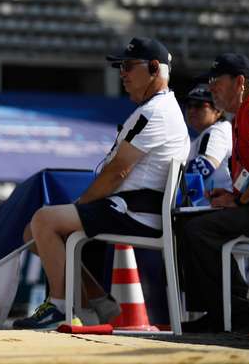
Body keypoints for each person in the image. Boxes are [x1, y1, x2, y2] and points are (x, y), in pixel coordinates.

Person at [13, 37, 188, 330]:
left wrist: (80, 205)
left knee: (44, 220)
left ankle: (58, 308)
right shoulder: (157, 108)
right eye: (121, 67)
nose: (122, 73)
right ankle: (97, 304)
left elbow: (116, 173)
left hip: (135, 211)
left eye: (129, 66)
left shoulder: (156, 112)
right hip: (131, 208)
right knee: (34, 232)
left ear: (155, 68)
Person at [178, 53, 249, 333]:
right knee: (192, 225)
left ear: (240, 82)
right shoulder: (245, 113)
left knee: (198, 229)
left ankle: (241, 311)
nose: (211, 88)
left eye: (216, 81)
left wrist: (238, 200)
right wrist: (232, 193)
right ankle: (223, 311)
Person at [183, 83, 232, 193]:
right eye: (189, 105)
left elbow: (204, 167)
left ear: (218, 110)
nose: (191, 110)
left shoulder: (217, 131)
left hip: (215, 208)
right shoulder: (212, 132)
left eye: (199, 105)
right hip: (211, 206)